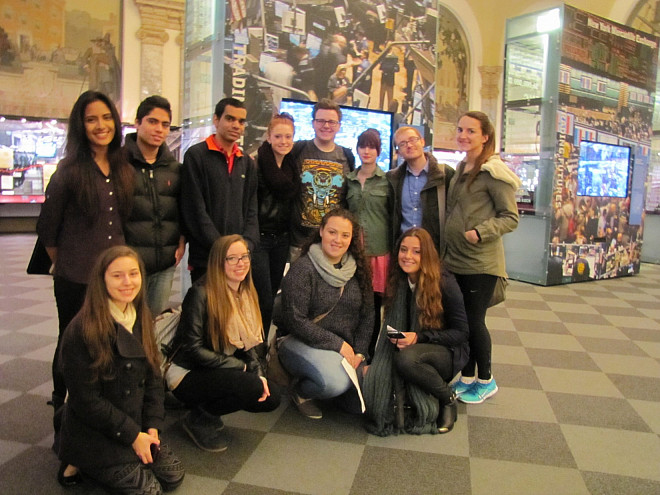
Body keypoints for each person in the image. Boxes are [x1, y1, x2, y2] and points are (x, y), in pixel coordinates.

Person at [56, 246, 184, 493]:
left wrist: (152, 429)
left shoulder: (141, 314)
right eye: (117, 275)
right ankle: (81, 461)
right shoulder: (83, 329)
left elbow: (154, 378)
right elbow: (86, 401)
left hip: (133, 419)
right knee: (150, 491)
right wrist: (133, 437)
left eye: (133, 273)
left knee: (173, 476)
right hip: (96, 429)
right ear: (101, 280)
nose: (128, 282)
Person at [37, 90, 134, 415]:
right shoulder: (68, 171)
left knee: (109, 344)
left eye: (106, 117)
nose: (100, 125)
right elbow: (48, 230)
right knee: (72, 342)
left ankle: (100, 412)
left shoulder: (122, 168)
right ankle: (62, 410)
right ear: (80, 124)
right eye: (91, 119)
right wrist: (67, 263)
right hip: (75, 278)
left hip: (115, 280)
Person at [166, 235, 281, 452]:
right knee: (251, 386)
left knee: (271, 396)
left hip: (219, 365)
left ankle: (205, 407)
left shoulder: (245, 291)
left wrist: (257, 371)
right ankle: (199, 417)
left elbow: (247, 345)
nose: (241, 263)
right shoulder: (200, 293)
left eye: (245, 257)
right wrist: (242, 368)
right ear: (219, 261)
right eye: (232, 258)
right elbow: (193, 350)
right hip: (187, 372)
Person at [444, 111, 521, 404]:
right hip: (456, 261)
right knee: (461, 322)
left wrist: (480, 231)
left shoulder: (493, 172)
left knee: (475, 321)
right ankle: (466, 376)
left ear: (485, 136)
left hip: (481, 263)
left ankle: (486, 380)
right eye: (460, 129)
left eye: (471, 131)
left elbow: (510, 217)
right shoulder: (463, 167)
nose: (463, 135)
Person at [363, 228, 469, 435]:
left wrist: (419, 337)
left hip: (446, 351)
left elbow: (462, 333)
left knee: (407, 360)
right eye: (403, 250)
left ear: (427, 254)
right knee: (376, 374)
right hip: (414, 346)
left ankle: (447, 400)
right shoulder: (399, 280)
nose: (407, 256)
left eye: (416, 251)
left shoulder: (444, 282)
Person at [278, 208, 374, 419]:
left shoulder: (358, 269)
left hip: (344, 349)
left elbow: (368, 316)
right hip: (301, 342)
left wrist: (359, 353)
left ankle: (335, 384)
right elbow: (295, 321)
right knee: (334, 383)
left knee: (368, 398)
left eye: (345, 235)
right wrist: (338, 345)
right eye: (332, 232)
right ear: (321, 231)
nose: (337, 239)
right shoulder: (303, 269)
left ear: (352, 238)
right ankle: (301, 392)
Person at [180, 97, 258, 283]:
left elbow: (251, 210)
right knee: (207, 310)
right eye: (230, 119)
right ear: (216, 120)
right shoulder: (196, 156)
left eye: (241, 121)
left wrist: (245, 248)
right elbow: (195, 211)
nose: (236, 125)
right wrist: (223, 249)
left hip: (239, 260)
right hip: (206, 259)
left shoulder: (246, 162)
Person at [123, 95, 185, 315]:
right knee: (125, 326)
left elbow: (181, 210)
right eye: (152, 121)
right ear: (137, 123)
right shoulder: (119, 165)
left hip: (164, 263)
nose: (159, 129)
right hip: (128, 265)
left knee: (154, 325)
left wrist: (181, 241)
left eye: (165, 124)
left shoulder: (175, 168)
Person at [345, 128, 392, 357]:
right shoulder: (350, 180)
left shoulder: (387, 181)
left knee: (373, 307)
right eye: (363, 146)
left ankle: (370, 356)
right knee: (353, 304)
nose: (366, 151)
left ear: (378, 150)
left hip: (378, 252)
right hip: (354, 252)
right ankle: (351, 351)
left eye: (371, 146)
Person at [252, 113, 299, 337]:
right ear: (269, 137)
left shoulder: (292, 166)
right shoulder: (257, 164)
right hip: (259, 239)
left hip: (281, 239)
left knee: (271, 293)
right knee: (263, 298)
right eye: (278, 136)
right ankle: (256, 348)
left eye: (288, 136)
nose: (283, 141)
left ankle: (261, 346)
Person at [289, 99, 355, 255]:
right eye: (321, 121)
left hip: (333, 243)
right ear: (313, 123)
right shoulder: (298, 149)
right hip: (299, 240)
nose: (326, 126)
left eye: (332, 122)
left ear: (339, 126)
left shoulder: (347, 156)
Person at [387, 126, 454, 253]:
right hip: (405, 252)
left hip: (434, 251)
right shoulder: (393, 179)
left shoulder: (445, 174)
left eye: (413, 140)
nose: (409, 145)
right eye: (402, 144)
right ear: (399, 152)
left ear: (422, 142)